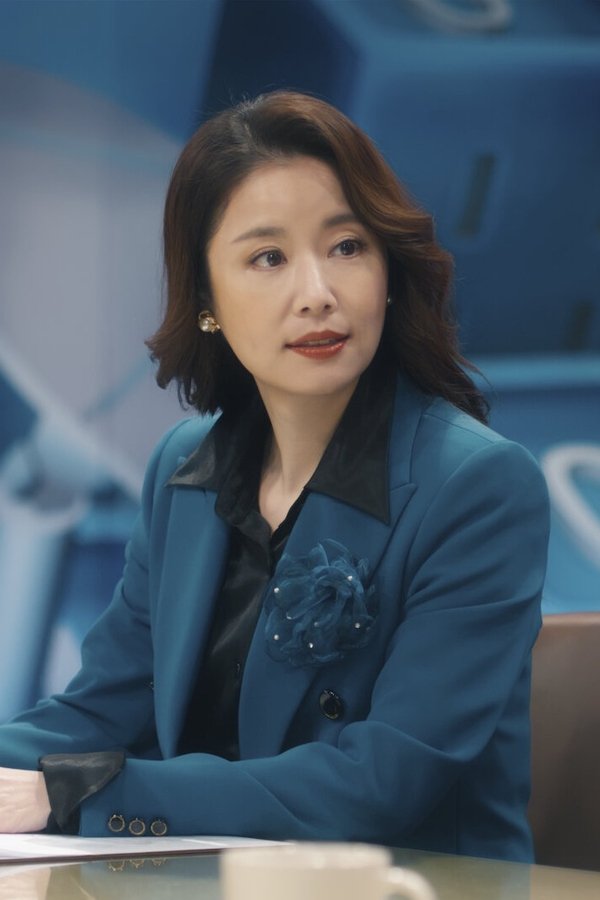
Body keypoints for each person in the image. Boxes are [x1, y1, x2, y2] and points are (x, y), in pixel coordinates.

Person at [0, 91, 549, 861]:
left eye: (347, 247)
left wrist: (80, 791)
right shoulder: (183, 468)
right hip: (201, 876)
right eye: (269, 258)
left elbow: (379, 782)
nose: (318, 293)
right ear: (206, 300)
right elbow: (99, 710)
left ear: (389, 271)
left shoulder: (479, 487)